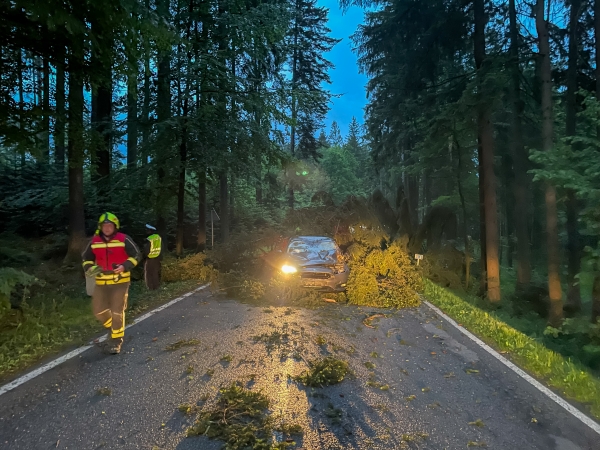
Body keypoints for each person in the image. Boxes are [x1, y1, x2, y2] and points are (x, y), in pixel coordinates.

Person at [82, 212, 141, 354]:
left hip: (120, 282)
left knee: (117, 311)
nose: (107, 228)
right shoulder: (95, 241)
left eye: (110, 225)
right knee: (98, 311)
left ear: (115, 226)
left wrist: (124, 266)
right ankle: (113, 328)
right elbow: (86, 258)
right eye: (104, 225)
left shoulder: (124, 239)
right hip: (101, 282)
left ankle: (116, 341)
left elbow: (137, 255)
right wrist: (89, 267)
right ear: (100, 227)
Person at [143, 224, 162, 290]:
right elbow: (162, 247)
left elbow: (146, 249)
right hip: (157, 258)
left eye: (147, 230)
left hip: (150, 258)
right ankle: (156, 286)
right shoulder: (159, 237)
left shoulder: (149, 239)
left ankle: (150, 287)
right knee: (155, 272)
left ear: (150, 231)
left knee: (148, 273)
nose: (146, 231)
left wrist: (145, 256)